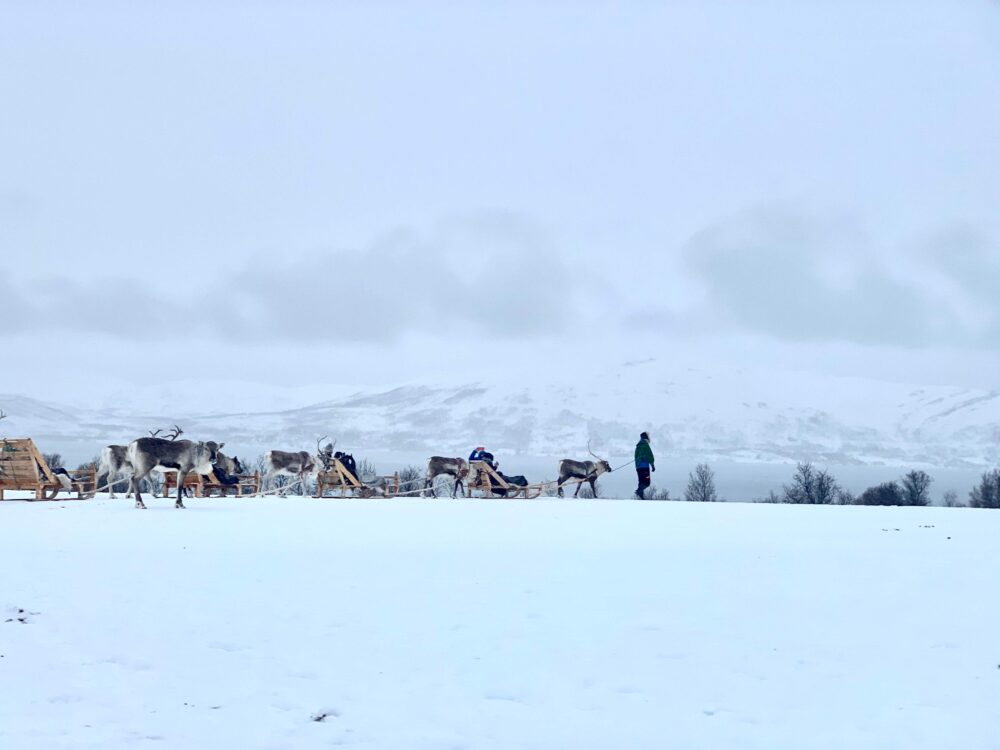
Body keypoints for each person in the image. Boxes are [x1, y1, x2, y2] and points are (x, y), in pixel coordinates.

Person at [634, 431, 655, 499]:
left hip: (638, 468)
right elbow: (649, 455)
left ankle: (641, 497)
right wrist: (652, 465)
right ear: (646, 437)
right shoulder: (645, 445)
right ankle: (639, 491)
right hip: (644, 467)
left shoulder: (638, 445)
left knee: (641, 482)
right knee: (646, 483)